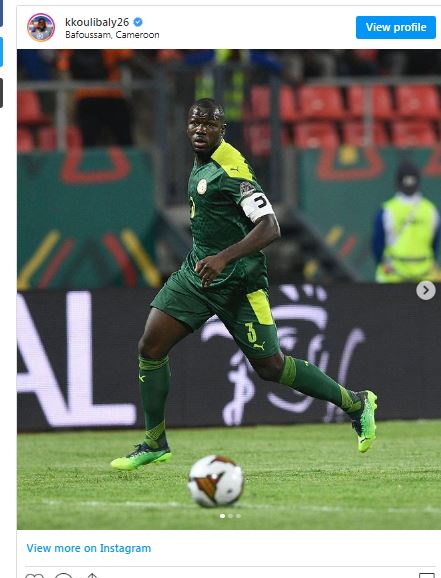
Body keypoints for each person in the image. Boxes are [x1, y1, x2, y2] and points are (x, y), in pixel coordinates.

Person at [111, 98, 377, 470]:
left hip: (239, 282)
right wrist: (211, 258)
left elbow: (270, 226)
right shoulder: (202, 160)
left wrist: (223, 258)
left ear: (222, 130)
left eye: (209, 124)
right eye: (195, 123)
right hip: (198, 274)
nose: (200, 130)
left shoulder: (231, 169)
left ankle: (355, 403)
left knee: (271, 367)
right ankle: (155, 442)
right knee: (151, 346)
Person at [373, 161, 440, 283]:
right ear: (418, 183)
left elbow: (378, 246)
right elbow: (435, 245)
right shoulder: (431, 210)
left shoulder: (387, 210)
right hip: (425, 277)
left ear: (397, 184)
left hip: (393, 276)